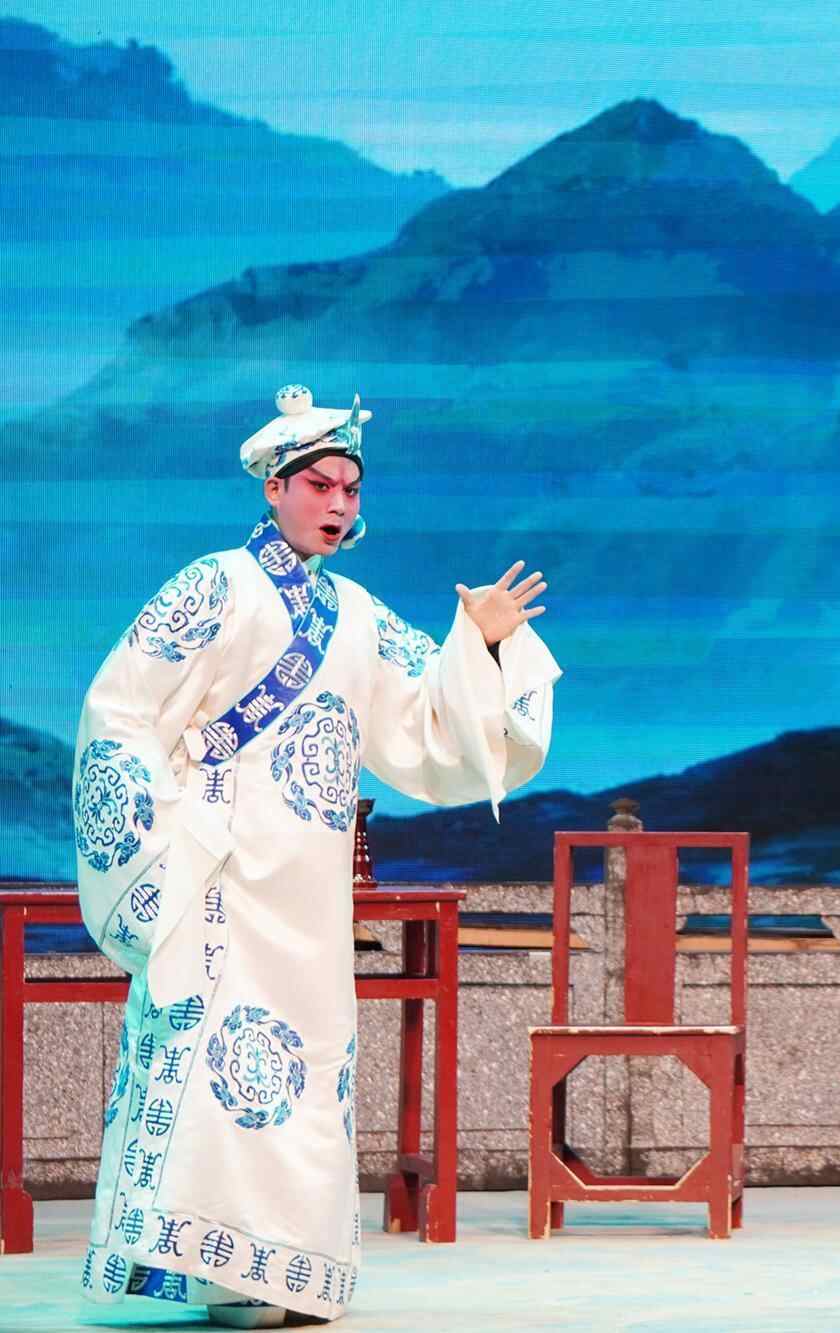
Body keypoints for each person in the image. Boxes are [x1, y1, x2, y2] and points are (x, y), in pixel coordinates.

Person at [72, 386, 560, 1326]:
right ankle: (223, 1275)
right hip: (220, 878)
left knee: (307, 1068)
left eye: (350, 488)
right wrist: (164, 836)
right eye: (320, 484)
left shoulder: (358, 612)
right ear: (274, 488)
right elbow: (119, 711)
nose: (338, 503)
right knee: (222, 1070)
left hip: (307, 889)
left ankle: (289, 1269)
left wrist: (484, 644)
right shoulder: (213, 585)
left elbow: (428, 714)